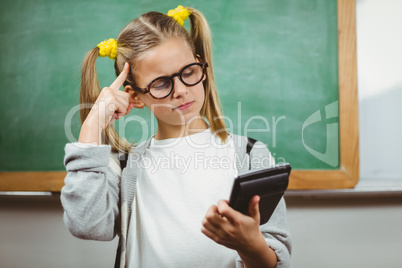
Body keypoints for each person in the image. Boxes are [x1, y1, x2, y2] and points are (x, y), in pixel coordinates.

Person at [61, 5, 291, 268]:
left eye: (189, 72)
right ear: (135, 96)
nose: (181, 90)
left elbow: (275, 258)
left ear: (199, 62)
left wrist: (250, 246)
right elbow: (86, 225)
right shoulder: (125, 166)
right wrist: (91, 127)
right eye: (161, 83)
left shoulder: (249, 155)